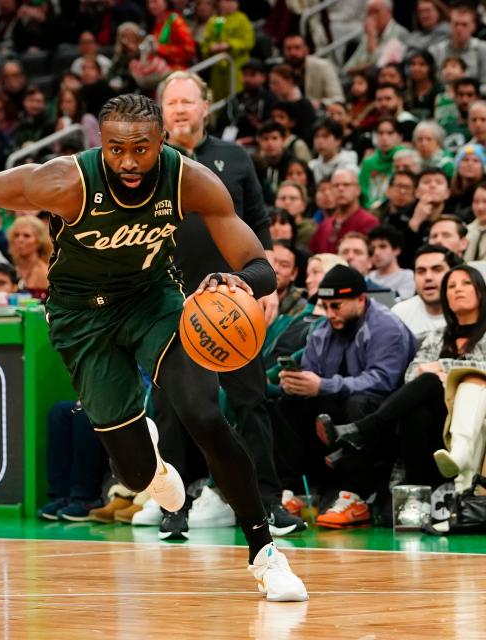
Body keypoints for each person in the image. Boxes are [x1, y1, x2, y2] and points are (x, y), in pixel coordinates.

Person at [0, 93, 308, 601]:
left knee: (203, 413)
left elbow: (260, 266)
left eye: (141, 149)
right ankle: (150, 463)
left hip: (153, 301)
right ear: (100, 145)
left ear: (162, 142)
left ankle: (265, 553)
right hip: (81, 316)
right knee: (132, 476)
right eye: (115, 149)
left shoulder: (190, 179)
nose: (128, 162)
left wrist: (236, 279)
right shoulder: (67, 181)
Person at [159, 71, 305, 540]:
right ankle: (174, 507)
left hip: (233, 301)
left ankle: (269, 503)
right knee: (177, 407)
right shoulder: (154, 164)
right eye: (171, 102)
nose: (179, 109)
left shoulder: (235, 157)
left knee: (250, 402)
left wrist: (267, 288)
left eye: (187, 100)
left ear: (206, 106)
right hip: (173, 302)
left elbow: (259, 227)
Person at [318, 265, 486, 492]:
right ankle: (420, 493)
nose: (458, 290)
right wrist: (436, 374)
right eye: (451, 286)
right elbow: (411, 374)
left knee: (427, 385)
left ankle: (362, 430)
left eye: (466, 283)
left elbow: (434, 373)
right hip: (441, 414)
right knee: (416, 409)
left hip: (476, 414)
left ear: (480, 290)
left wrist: (445, 368)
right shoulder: (437, 335)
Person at [274, 266, 417, 527]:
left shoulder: (387, 327)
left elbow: (382, 381)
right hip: (335, 406)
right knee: (287, 403)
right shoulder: (322, 329)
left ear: (360, 299)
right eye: (325, 306)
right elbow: (311, 373)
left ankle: (357, 496)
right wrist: (297, 383)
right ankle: (295, 492)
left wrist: (323, 386)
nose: (329, 314)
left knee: (360, 401)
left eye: (336, 306)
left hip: (381, 414)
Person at [392, 244, 458, 342]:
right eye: (421, 271)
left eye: (437, 269)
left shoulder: (471, 312)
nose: (428, 277)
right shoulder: (399, 314)